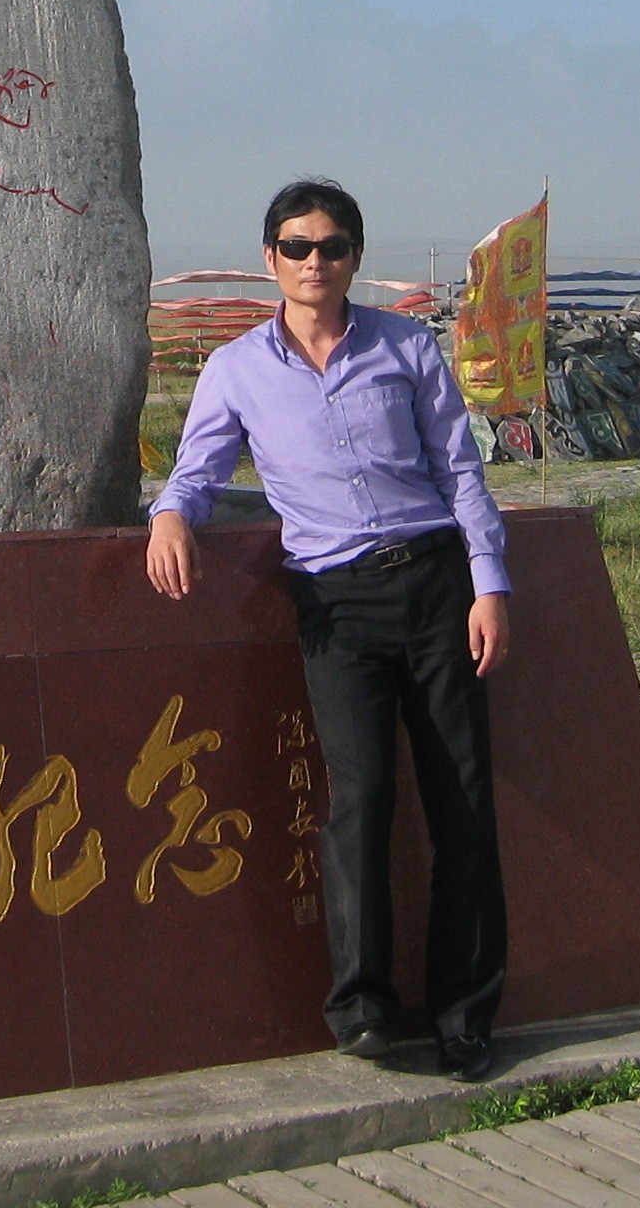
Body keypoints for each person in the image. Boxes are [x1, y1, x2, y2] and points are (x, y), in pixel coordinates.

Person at [145, 178, 511, 1080]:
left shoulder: (406, 347)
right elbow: (195, 472)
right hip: (334, 602)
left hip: (434, 586)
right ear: (270, 259)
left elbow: (459, 470)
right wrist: (167, 519)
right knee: (361, 799)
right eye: (299, 247)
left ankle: (466, 1015)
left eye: (334, 247)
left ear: (355, 257)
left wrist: (489, 582)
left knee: (462, 803)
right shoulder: (235, 369)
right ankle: (362, 1007)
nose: (318, 263)